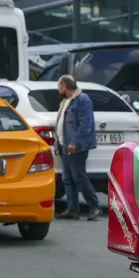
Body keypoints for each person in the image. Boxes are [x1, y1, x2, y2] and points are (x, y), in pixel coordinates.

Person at [54, 75, 101, 221]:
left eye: (59, 86)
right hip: (64, 145)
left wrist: (74, 142)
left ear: (64, 86)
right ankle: (72, 209)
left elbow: (85, 124)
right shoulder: (65, 101)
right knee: (67, 178)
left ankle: (94, 206)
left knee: (79, 176)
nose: (58, 89)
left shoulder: (82, 100)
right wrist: (57, 144)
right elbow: (59, 124)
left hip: (75, 146)